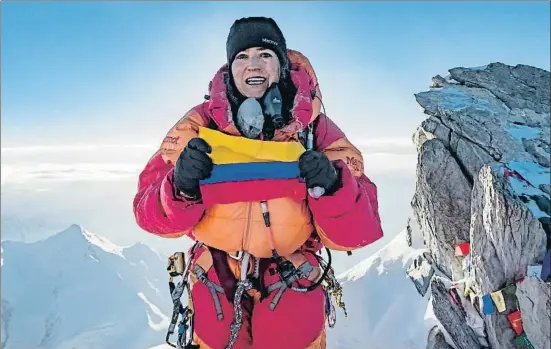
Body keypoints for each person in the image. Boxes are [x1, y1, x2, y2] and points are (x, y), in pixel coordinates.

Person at [133, 16, 384, 349]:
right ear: (230, 68)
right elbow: (147, 211)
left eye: (265, 55)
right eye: (241, 56)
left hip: (291, 273)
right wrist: (179, 186)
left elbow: (359, 229)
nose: (253, 63)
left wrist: (334, 186)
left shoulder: (314, 128)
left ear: (280, 65)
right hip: (216, 271)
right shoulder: (199, 124)